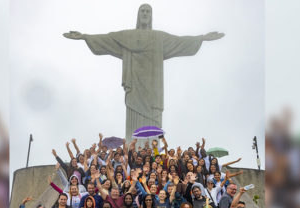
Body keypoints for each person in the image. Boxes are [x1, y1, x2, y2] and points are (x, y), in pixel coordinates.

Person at [63, 4, 225, 141]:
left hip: (153, 90)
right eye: (142, 11)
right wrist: (85, 37)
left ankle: (152, 153)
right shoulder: (127, 36)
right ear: (138, 15)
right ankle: (133, 149)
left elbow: (180, 41)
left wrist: (201, 38)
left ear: (151, 16)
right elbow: (108, 39)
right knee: (134, 119)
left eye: (148, 11)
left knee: (152, 124)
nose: (145, 14)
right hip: (134, 86)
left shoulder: (159, 38)